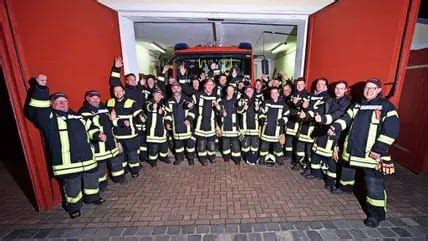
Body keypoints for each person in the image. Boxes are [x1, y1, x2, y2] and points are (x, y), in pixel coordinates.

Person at [26, 74, 105, 219]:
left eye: (65, 101)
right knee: (72, 188)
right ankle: (74, 208)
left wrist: (97, 135)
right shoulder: (48, 118)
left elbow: (90, 128)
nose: (63, 103)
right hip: (67, 163)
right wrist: (41, 88)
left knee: (91, 180)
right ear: (51, 104)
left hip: (88, 159)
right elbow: (35, 111)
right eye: (59, 101)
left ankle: (93, 198)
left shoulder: (77, 116)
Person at [329, 78, 399, 228]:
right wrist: (335, 126)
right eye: (367, 88)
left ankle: (376, 215)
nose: (369, 91)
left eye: (373, 88)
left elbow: (391, 130)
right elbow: (346, 119)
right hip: (353, 150)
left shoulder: (386, 106)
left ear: (379, 90)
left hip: (370, 154)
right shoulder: (358, 104)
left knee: (374, 186)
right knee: (347, 172)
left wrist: (378, 149)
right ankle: (345, 188)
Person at [305, 81, 351, 191]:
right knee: (316, 152)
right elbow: (318, 111)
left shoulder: (346, 103)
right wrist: (307, 114)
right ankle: (316, 174)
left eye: (341, 88)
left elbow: (338, 115)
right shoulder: (329, 99)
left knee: (331, 158)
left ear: (345, 90)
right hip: (323, 130)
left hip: (335, 132)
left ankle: (330, 181)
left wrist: (324, 120)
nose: (338, 90)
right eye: (337, 88)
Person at [79, 90, 126, 191]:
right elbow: (87, 127)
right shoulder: (84, 111)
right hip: (97, 144)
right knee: (100, 166)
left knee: (116, 161)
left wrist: (121, 122)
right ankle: (102, 184)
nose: (96, 100)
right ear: (88, 99)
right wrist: (97, 135)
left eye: (97, 98)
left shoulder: (104, 108)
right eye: (93, 98)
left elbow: (113, 120)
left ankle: (119, 178)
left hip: (110, 141)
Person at [298, 78, 332, 175]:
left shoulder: (326, 98)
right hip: (305, 124)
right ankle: (301, 162)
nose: (319, 85)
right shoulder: (311, 95)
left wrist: (307, 108)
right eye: (318, 83)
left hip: (315, 126)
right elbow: (303, 105)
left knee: (310, 148)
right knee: (301, 146)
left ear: (325, 86)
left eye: (322, 84)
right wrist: (302, 105)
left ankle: (310, 166)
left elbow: (319, 110)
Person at [106, 85, 142, 177]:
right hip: (117, 135)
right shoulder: (109, 103)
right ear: (113, 93)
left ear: (124, 92)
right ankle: (125, 170)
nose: (118, 93)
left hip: (130, 135)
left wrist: (141, 117)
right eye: (116, 91)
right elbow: (109, 119)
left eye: (120, 91)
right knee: (121, 156)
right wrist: (116, 121)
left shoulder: (131, 102)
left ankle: (134, 171)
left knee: (132, 154)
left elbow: (138, 114)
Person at [165, 83, 196, 166]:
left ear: (181, 88)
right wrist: (167, 123)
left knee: (190, 146)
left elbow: (193, 112)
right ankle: (179, 159)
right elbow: (168, 114)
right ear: (171, 89)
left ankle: (191, 159)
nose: (176, 90)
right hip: (176, 129)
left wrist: (189, 119)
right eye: (174, 88)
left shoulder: (188, 99)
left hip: (187, 128)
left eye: (177, 88)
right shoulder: (169, 101)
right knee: (178, 146)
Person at [192, 78, 222, 165]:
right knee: (201, 145)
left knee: (211, 145)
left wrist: (218, 107)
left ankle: (212, 157)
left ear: (213, 86)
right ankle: (203, 159)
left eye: (211, 85)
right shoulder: (198, 94)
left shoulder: (216, 96)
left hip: (211, 125)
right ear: (204, 85)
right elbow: (189, 103)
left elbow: (221, 111)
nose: (209, 86)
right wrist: (188, 105)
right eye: (207, 84)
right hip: (200, 125)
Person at [258, 87, 289, 165]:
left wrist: (282, 121)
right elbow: (261, 113)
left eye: (275, 93)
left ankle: (279, 158)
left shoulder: (283, 104)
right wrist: (262, 120)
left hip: (277, 129)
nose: (274, 94)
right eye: (272, 93)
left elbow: (287, 114)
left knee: (278, 147)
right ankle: (262, 158)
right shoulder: (266, 102)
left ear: (278, 94)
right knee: (264, 146)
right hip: (267, 129)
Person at [286, 78, 310, 168]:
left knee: (299, 142)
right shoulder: (293, 93)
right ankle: (291, 156)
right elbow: (288, 103)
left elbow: (306, 107)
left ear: (305, 85)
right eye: (298, 84)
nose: (299, 86)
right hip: (291, 120)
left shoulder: (307, 95)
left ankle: (299, 161)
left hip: (301, 122)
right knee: (290, 140)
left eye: (301, 84)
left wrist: (297, 104)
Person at [144, 88, 170, 167]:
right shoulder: (148, 102)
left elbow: (168, 113)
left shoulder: (163, 104)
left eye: (160, 95)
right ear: (153, 95)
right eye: (156, 94)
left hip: (162, 130)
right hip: (152, 131)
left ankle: (163, 157)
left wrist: (163, 113)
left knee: (164, 147)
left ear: (162, 96)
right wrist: (153, 106)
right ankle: (153, 160)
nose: (158, 96)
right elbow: (148, 107)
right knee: (153, 148)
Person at [237, 87, 261, 165]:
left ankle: (253, 158)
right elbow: (238, 111)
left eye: (250, 91)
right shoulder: (241, 100)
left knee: (255, 145)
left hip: (255, 127)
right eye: (247, 91)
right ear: (245, 92)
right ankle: (246, 158)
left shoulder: (258, 100)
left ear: (253, 92)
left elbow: (262, 112)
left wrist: (258, 109)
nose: (249, 92)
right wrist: (243, 108)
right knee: (245, 145)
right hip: (244, 128)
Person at [218, 85, 241, 165]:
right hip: (224, 126)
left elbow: (240, 110)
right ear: (226, 91)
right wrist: (221, 112)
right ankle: (226, 157)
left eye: (232, 90)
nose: (230, 92)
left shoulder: (236, 100)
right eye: (229, 90)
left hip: (234, 126)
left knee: (235, 144)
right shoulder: (222, 101)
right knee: (225, 143)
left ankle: (237, 159)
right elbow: (218, 112)